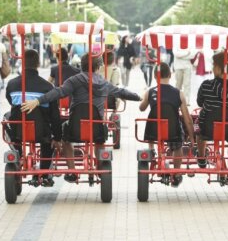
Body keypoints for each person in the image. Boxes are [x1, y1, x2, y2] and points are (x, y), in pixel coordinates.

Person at [20, 53, 141, 182]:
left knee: (65, 137)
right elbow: (121, 92)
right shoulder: (104, 83)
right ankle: (100, 166)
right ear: (98, 66)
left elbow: (58, 92)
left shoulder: (74, 80)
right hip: (97, 128)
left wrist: (38, 101)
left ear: (82, 65)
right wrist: (139, 97)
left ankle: (72, 171)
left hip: (74, 127)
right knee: (99, 141)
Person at [5, 49, 62, 186]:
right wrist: (58, 138)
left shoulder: (12, 85)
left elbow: (11, 103)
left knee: (7, 116)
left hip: (19, 132)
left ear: (22, 63)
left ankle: (17, 150)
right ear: (37, 63)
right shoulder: (47, 87)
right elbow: (55, 116)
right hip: (42, 131)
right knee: (47, 139)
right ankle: (43, 172)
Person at [139, 62, 194, 187]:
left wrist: (145, 98)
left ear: (154, 77)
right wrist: (191, 137)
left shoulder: (150, 92)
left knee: (152, 120)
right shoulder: (178, 93)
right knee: (177, 146)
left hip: (153, 132)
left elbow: (142, 108)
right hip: (172, 131)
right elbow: (187, 118)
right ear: (170, 75)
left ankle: (152, 150)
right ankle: (176, 172)